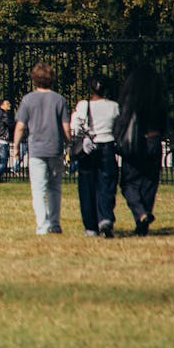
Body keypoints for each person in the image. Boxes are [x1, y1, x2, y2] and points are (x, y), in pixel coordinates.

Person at [13, 62, 71, 236]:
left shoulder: (28, 100)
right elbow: (66, 127)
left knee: (38, 189)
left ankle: (42, 225)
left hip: (36, 149)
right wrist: (68, 144)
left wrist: (15, 146)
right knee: (55, 187)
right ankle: (55, 223)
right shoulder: (59, 99)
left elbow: (20, 126)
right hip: (55, 148)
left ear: (34, 79)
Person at [115, 63, 167, 236]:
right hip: (154, 139)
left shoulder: (132, 99)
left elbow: (123, 120)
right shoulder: (158, 98)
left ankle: (141, 214)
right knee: (149, 182)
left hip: (136, 141)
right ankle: (142, 219)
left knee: (129, 182)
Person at [71, 77, 120, 238]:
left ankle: (90, 226)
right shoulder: (114, 106)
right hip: (107, 145)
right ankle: (105, 217)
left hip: (89, 147)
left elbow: (75, 127)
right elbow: (118, 127)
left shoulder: (83, 105)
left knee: (87, 186)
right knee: (107, 183)